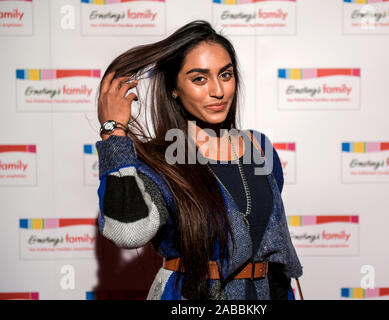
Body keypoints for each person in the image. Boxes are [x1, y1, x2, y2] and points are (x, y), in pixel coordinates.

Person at [95, 20, 303, 300]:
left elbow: (272, 249)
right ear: (174, 88)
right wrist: (114, 133)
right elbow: (127, 233)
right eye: (199, 79)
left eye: (226, 75)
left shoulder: (259, 147)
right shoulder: (161, 159)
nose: (217, 90)